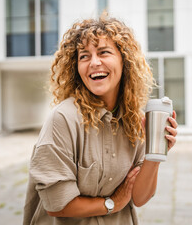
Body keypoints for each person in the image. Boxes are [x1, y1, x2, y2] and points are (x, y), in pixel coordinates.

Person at [23, 14, 178, 225]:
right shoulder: (64, 118)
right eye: (84, 56)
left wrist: (154, 153)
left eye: (104, 52)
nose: (94, 63)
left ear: (124, 60)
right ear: (76, 68)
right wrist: (112, 202)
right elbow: (57, 203)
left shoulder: (136, 120)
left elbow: (140, 198)